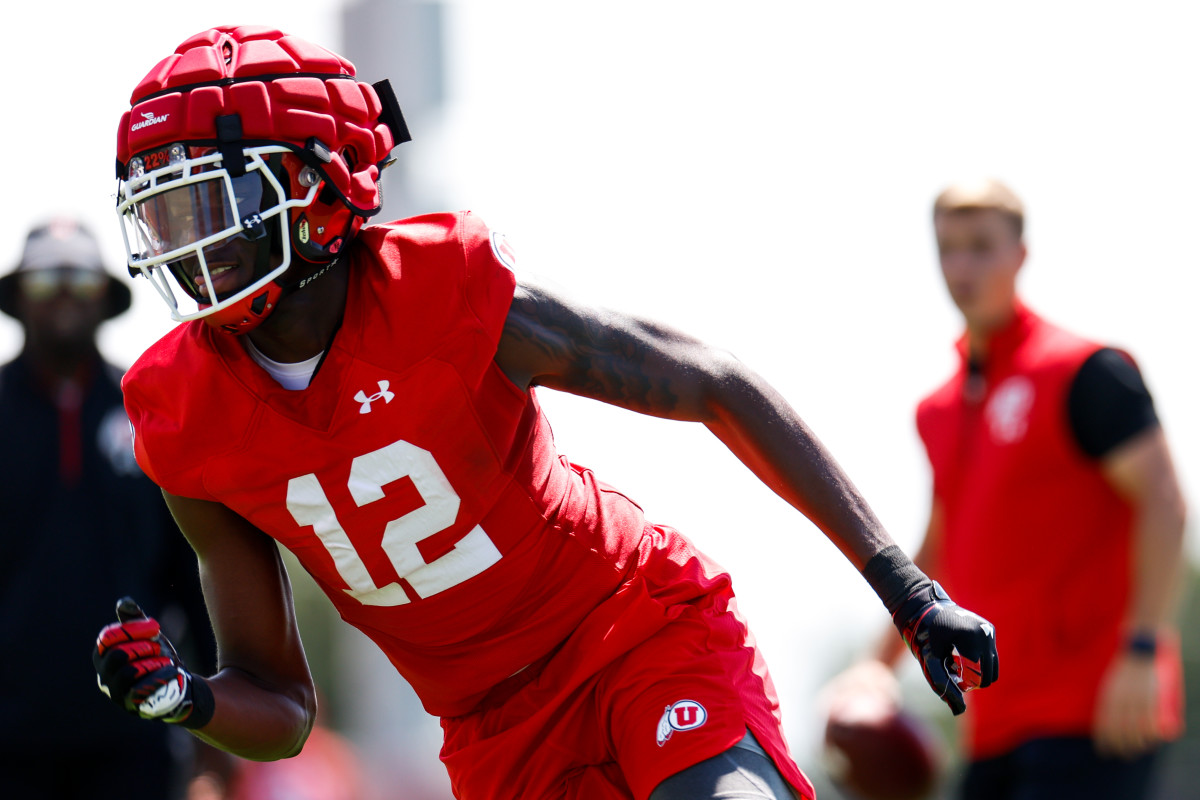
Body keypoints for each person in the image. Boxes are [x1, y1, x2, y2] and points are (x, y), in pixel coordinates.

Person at [91, 26, 998, 800]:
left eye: (210, 201)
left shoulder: (443, 293)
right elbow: (283, 707)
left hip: (633, 632)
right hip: (491, 730)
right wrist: (188, 698)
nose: (187, 242)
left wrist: (909, 592)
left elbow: (713, 383)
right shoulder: (182, 413)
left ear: (317, 183)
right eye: (165, 212)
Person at [829, 179, 1187, 799]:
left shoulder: (1085, 371)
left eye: (980, 247)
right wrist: (875, 665)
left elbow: (1165, 502)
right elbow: (941, 543)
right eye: (948, 249)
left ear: (1020, 255)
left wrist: (1142, 650)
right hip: (993, 722)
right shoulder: (938, 409)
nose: (961, 266)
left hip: (1097, 711)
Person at [0, 219, 217, 798]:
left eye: (80, 281)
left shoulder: (150, 412)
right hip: (9, 740)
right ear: (19, 297)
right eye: (46, 281)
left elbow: (195, 571)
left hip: (137, 729)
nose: (64, 296)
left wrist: (218, 713)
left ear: (104, 296)